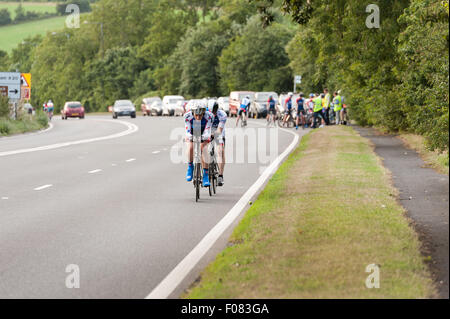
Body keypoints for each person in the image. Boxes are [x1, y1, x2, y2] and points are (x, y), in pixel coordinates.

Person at [185, 101, 214, 188]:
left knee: (204, 149)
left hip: (204, 130)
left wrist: (205, 137)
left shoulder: (209, 116)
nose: (198, 117)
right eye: (196, 115)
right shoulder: (187, 116)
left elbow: (207, 130)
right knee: (190, 147)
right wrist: (190, 137)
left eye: (200, 115)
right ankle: (190, 167)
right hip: (193, 130)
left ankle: (205, 175)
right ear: (192, 113)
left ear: (204, 113)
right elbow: (187, 131)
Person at [211, 102, 227, 186]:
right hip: (208, 130)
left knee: (220, 151)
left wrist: (214, 135)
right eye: (212, 111)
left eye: (214, 111)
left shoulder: (222, 114)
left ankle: (220, 175)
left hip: (218, 131)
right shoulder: (205, 114)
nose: (213, 113)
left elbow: (219, 130)